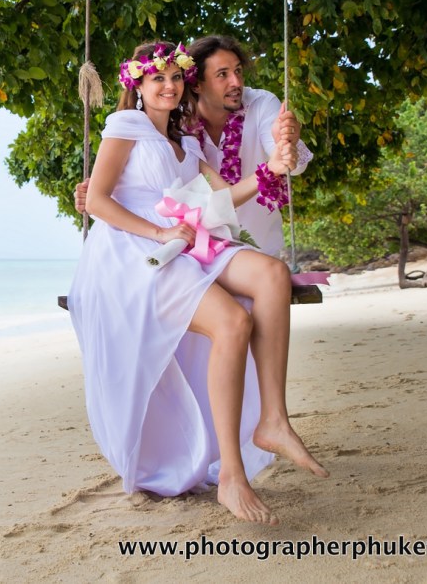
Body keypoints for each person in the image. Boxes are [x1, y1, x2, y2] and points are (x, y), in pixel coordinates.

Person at [68, 40, 326, 527]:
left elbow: (225, 196)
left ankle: (273, 419)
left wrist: (272, 167)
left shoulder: (187, 144)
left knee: (271, 273)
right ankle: (231, 474)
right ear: (137, 86)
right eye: (156, 78)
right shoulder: (125, 128)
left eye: (174, 77)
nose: (168, 86)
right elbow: (99, 202)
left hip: (183, 243)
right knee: (233, 322)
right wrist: (159, 231)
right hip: (133, 253)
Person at [77, 34, 312, 257]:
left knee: (271, 277)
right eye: (223, 74)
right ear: (197, 84)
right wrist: (103, 192)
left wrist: (287, 144)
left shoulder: (260, 104)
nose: (236, 82)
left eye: (238, 71)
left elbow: (291, 164)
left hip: (258, 242)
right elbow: (148, 182)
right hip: (192, 249)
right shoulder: (174, 121)